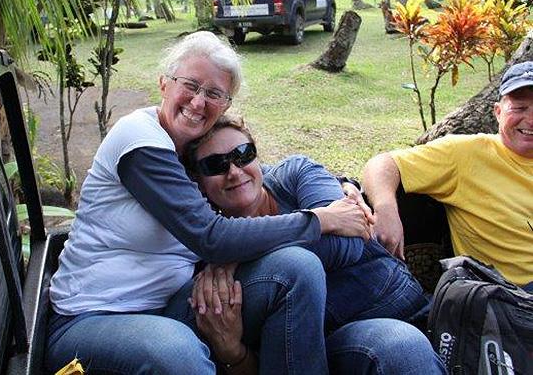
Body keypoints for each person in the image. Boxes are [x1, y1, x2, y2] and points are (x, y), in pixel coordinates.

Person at [46, 31, 372, 374]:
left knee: (296, 268)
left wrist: (342, 185)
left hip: (170, 306)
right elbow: (211, 237)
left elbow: (246, 171)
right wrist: (319, 219)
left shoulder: (189, 151)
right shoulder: (139, 139)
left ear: (226, 105)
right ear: (163, 84)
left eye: (214, 93)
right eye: (190, 85)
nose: (199, 102)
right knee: (178, 352)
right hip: (91, 319)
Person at [182, 115, 443, 374]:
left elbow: (347, 243)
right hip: (309, 350)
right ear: (198, 181)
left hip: (394, 307)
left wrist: (240, 253)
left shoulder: (293, 175)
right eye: (216, 165)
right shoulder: (206, 249)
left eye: (243, 153)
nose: (235, 172)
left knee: (403, 346)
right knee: (401, 345)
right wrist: (232, 351)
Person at [362, 61, 533, 292]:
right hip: (512, 298)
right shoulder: (465, 154)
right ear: (498, 112)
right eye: (520, 108)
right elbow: (382, 164)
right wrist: (385, 209)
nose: (530, 120)